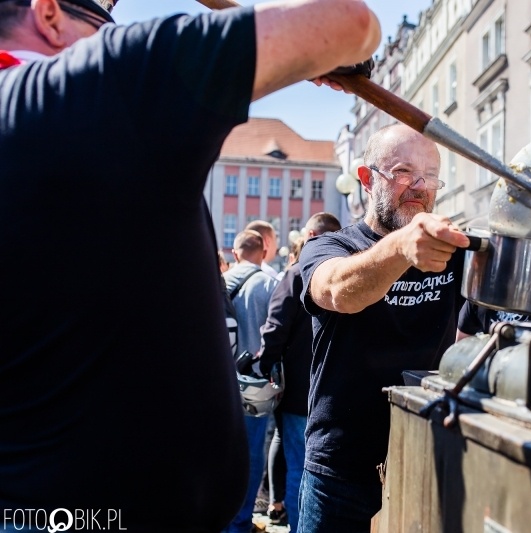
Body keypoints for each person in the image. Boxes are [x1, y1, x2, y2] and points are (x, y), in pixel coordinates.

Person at [0, 0, 381, 530]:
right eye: (101, 23)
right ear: (48, 14)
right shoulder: (86, 88)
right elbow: (348, 21)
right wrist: (323, 52)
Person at [296, 124, 531, 532]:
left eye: (430, 176)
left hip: (428, 454)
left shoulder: (456, 254)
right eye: (403, 172)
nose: (419, 187)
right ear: (368, 179)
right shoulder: (331, 246)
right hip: (340, 467)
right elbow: (338, 292)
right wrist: (401, 249)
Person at [258, 212, 342, 533]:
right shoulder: (348, 275)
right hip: (333, 393)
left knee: (301, 468)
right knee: (320, 471)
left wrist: (265, 366)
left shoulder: (297, 273)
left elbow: (275, 327)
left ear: (308, 235)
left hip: (298, 392)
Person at [222, 230, 279, 533]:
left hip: (219, 381)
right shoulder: (269, 284)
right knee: (252, 453)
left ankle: (220, 517)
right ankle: (241, 520)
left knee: (220, 454)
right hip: (256, 383)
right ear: (264, 251)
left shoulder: (220, 282)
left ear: (235, 253)